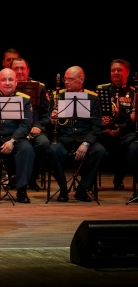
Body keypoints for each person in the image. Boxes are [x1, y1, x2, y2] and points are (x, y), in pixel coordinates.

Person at [47, 66, 106, 202]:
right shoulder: (57, 96)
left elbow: (97, 126)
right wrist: (52, 120)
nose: (67, 82)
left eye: (71, 79)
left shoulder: (92, 98)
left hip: (84, 138)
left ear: (81, 80)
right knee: (52, 151)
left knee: (100, 151)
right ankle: (63, 189)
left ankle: (83, 188)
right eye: (65, 79)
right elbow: (48, 122)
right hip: (64, 139)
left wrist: (86, 143)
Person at [0, 68, 35, 203]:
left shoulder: (24, 99)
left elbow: (26, 124)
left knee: (27, 150)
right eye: (3, 80)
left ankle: (21, 190)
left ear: (16, 82)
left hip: (15, 137)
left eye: (10, 79)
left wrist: (12, 140)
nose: (7, 83)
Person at [10, 57, 51, 191]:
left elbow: (46, 113)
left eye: (22, 68)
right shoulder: (6, 85)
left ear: (28, 71)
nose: (19, 71)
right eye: (16, 68)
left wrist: (39, 126)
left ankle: (32, 177)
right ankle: (13, 176)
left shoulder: (39, 87)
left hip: (33, 128)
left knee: (43, 143)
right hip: (13, 129)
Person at [96, 59, 136, 191]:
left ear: (127, 73)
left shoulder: (134, 92)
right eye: (113, 70)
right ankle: (89, 183)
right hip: (105, 131)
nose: (116, 72)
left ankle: (118, 179)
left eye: (119, 70)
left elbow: (134, 118)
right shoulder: (101, 89)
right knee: (92, 144)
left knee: (129, 146)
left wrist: (121, 129)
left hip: (125, 132)